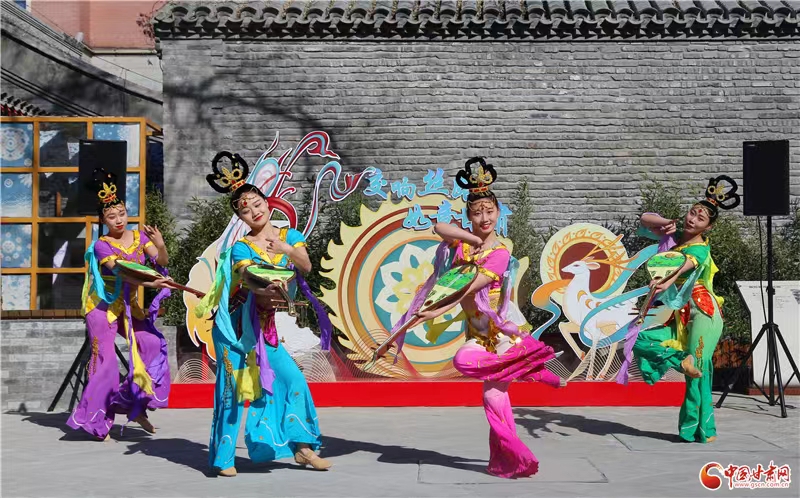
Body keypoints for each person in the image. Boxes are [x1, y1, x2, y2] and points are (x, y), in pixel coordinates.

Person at [379, 157, 563, 479]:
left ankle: (514, 454)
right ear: (469, 216)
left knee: (492, 395)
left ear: (498, 213)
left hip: (505, 336)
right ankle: (528, 374)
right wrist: (472, 239)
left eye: (489, 211)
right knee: (465, 362)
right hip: (478, 337)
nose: (484, 218)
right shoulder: (464, 249)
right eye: (477, 213)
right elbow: (438, 228)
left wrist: (437, 309)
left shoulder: (500, 253)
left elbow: (468, 287)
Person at [195, 151, 334, 477]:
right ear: (240, 217)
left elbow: (305, 265)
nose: (254, 211)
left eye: (257, 204)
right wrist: (267, 286)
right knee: (232, 389)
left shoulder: (289, 237)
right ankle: (224, 459)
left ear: (267, 203)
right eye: (245, 210)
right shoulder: (241, 247)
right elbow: (248, 278)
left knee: (293, 379)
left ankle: (303, 448)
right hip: (235, 328)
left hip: (264, 329)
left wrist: (285, 250)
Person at [624, 175, 740, 443]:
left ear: (708, 227)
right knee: (638, 340)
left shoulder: (699, 249)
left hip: (704, 313)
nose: (693, 219)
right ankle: (680, 363)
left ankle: (698, 430)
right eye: (692, 212)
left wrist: (666, 280)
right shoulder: (675, 236)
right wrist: (666, 223)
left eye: (701, 219)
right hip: (681, 315)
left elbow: (684, 265)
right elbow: (644, 221)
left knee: (699, 369)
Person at [68, 168, 173, 440]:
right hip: (102, 308)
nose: (118, 220)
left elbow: (161, 262)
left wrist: (160, 245)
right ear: (103, 220)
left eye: (122, 214)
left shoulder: (140, 237)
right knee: (106, 365)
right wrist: (151, 284)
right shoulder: (102, 245)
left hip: (129, 306)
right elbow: (122, 273)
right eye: (112, 216)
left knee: (152, 343)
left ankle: (129, 403)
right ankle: (97, 422)